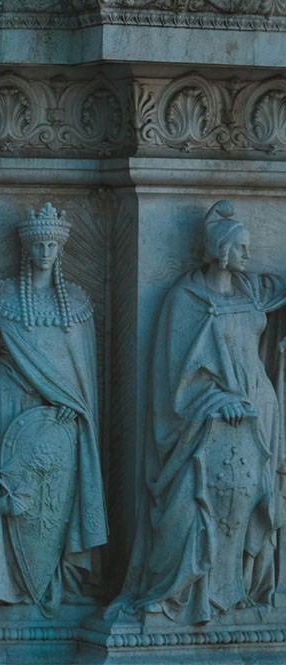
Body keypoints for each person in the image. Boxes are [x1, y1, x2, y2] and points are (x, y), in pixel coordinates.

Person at [116, 200, 286, 624]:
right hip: (202, 425)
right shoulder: (186, 298)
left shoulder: (250, 291)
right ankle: (186, 593)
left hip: (259, 413)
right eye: (241, 248)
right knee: (195, 508)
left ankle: (245, 589)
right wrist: (214, 399)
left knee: (249, 502)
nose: (248, 255)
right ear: (219, 250)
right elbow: (174, 376)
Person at [0, 202, 107, 612]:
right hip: (2, 404)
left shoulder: (76, 304)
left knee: (50, 503)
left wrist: (77, 406)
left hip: (57, 421)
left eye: (52, 244)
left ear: (61, 249)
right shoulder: (1, 297)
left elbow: (82, 372)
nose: (44, 251)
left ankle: (50, 579)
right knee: (1, 491)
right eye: (38, 244)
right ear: (26, 249)